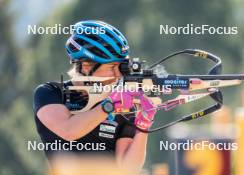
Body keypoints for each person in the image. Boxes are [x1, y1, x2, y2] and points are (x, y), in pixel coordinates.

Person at [33, 20, 156, 173]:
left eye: (122, 67)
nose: (118, 75)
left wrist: (143, 126)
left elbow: (127, 169)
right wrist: (110, 105)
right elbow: (69, 130)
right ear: (86, 66)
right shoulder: (50, 92)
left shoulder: (124, 102)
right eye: (112, 67)